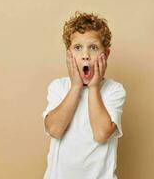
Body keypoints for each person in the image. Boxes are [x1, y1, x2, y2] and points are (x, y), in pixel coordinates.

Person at [41, 11, 127, 179]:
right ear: (69, 54)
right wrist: (75, 87)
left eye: (93, 48)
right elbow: (54, 129)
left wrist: (94, 87)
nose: (85, 55)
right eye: (78, 48)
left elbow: (101, 134)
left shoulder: (114, 90)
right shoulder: (59, 87)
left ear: (106, 54)